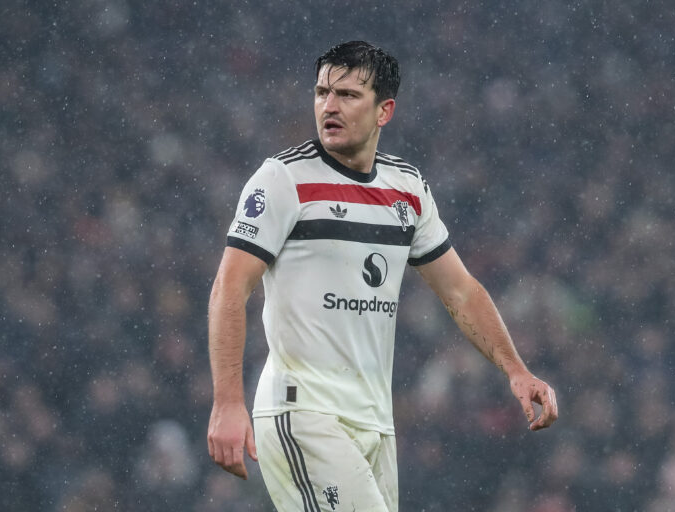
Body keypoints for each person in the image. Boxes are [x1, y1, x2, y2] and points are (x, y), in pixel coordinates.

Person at [207, 40, 558, 512]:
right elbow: (230, 287)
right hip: (303, 412)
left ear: (384, 110)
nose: (329, 106)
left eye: (348, 95)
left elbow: (460, 291)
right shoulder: (283, 179)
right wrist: (228, 402)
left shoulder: (407, 190)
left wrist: (516, 369)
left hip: (374, 422)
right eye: (321, 92)